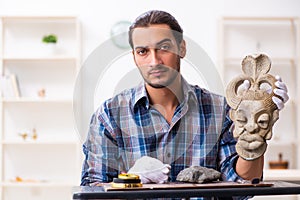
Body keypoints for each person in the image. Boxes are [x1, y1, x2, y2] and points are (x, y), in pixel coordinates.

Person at [80, 10, 288, 196]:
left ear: (182, 48)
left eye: (164, 48)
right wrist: (128, 185)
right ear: (134, 57)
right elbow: (92, 188)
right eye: (143, 51)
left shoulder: (220, 110)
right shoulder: (109, 115)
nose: (154, 61)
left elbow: (241, 186)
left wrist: (257, 128)